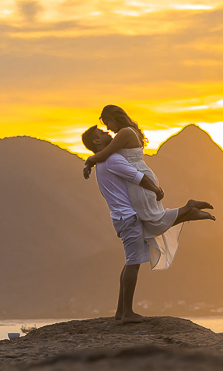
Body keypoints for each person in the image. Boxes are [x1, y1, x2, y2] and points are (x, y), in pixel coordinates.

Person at [81, 105, 214, 323]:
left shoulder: (109, 156)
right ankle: (126, 313)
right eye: (103, 132)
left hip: (122, 216)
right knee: (138, 253)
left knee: (150, 230)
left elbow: (115, 162)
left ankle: (122, 312)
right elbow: (136, 177)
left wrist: (89, 162)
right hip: (128, 215)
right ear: (96, 142)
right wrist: (156, 189)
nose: (107, 131)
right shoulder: (112, 159)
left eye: (106, 126)